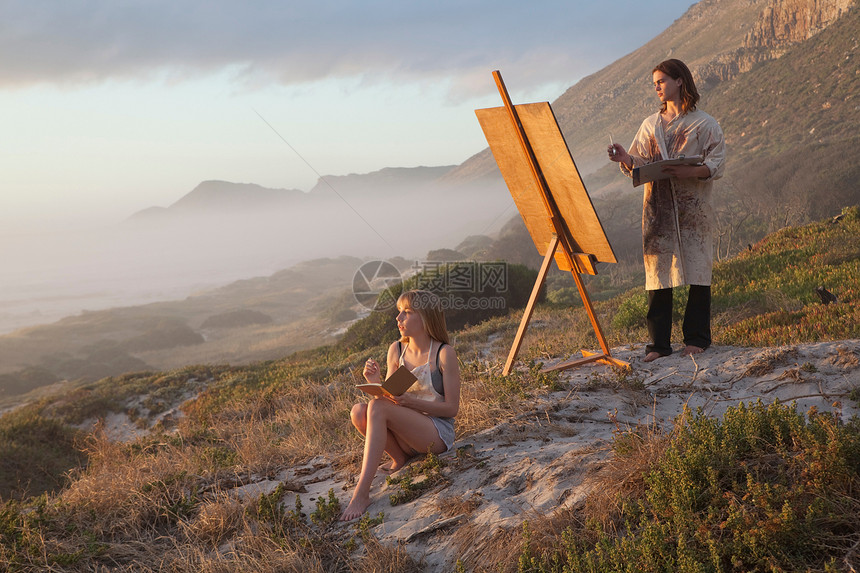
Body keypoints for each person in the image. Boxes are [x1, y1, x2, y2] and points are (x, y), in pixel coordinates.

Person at [608, 58, 726, 362]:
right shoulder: (649, 125)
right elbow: (639, 163)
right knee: (658, 274)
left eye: (661, 81)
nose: (657, 88)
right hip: (657, 209)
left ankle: (697, 338)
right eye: (655, 84)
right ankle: (659, 344)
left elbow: (718, 161)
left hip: (693, 209)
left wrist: (693, 173)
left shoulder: (705, 124)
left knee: (698, 270)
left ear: (679, 81)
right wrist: (625, 157)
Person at [340, 289, 461, 521]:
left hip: (436, 434)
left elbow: (451, 409)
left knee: (377, 408)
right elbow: (391, 397)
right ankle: (399, 458)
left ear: (425, 317)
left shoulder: (443, 354)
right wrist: (375, 383)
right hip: (407, 433)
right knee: (359, 412)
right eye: (399, 312)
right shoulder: (397, 350)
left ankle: (362, 493)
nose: (399, 319)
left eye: (407, 312)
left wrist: (412, 403)